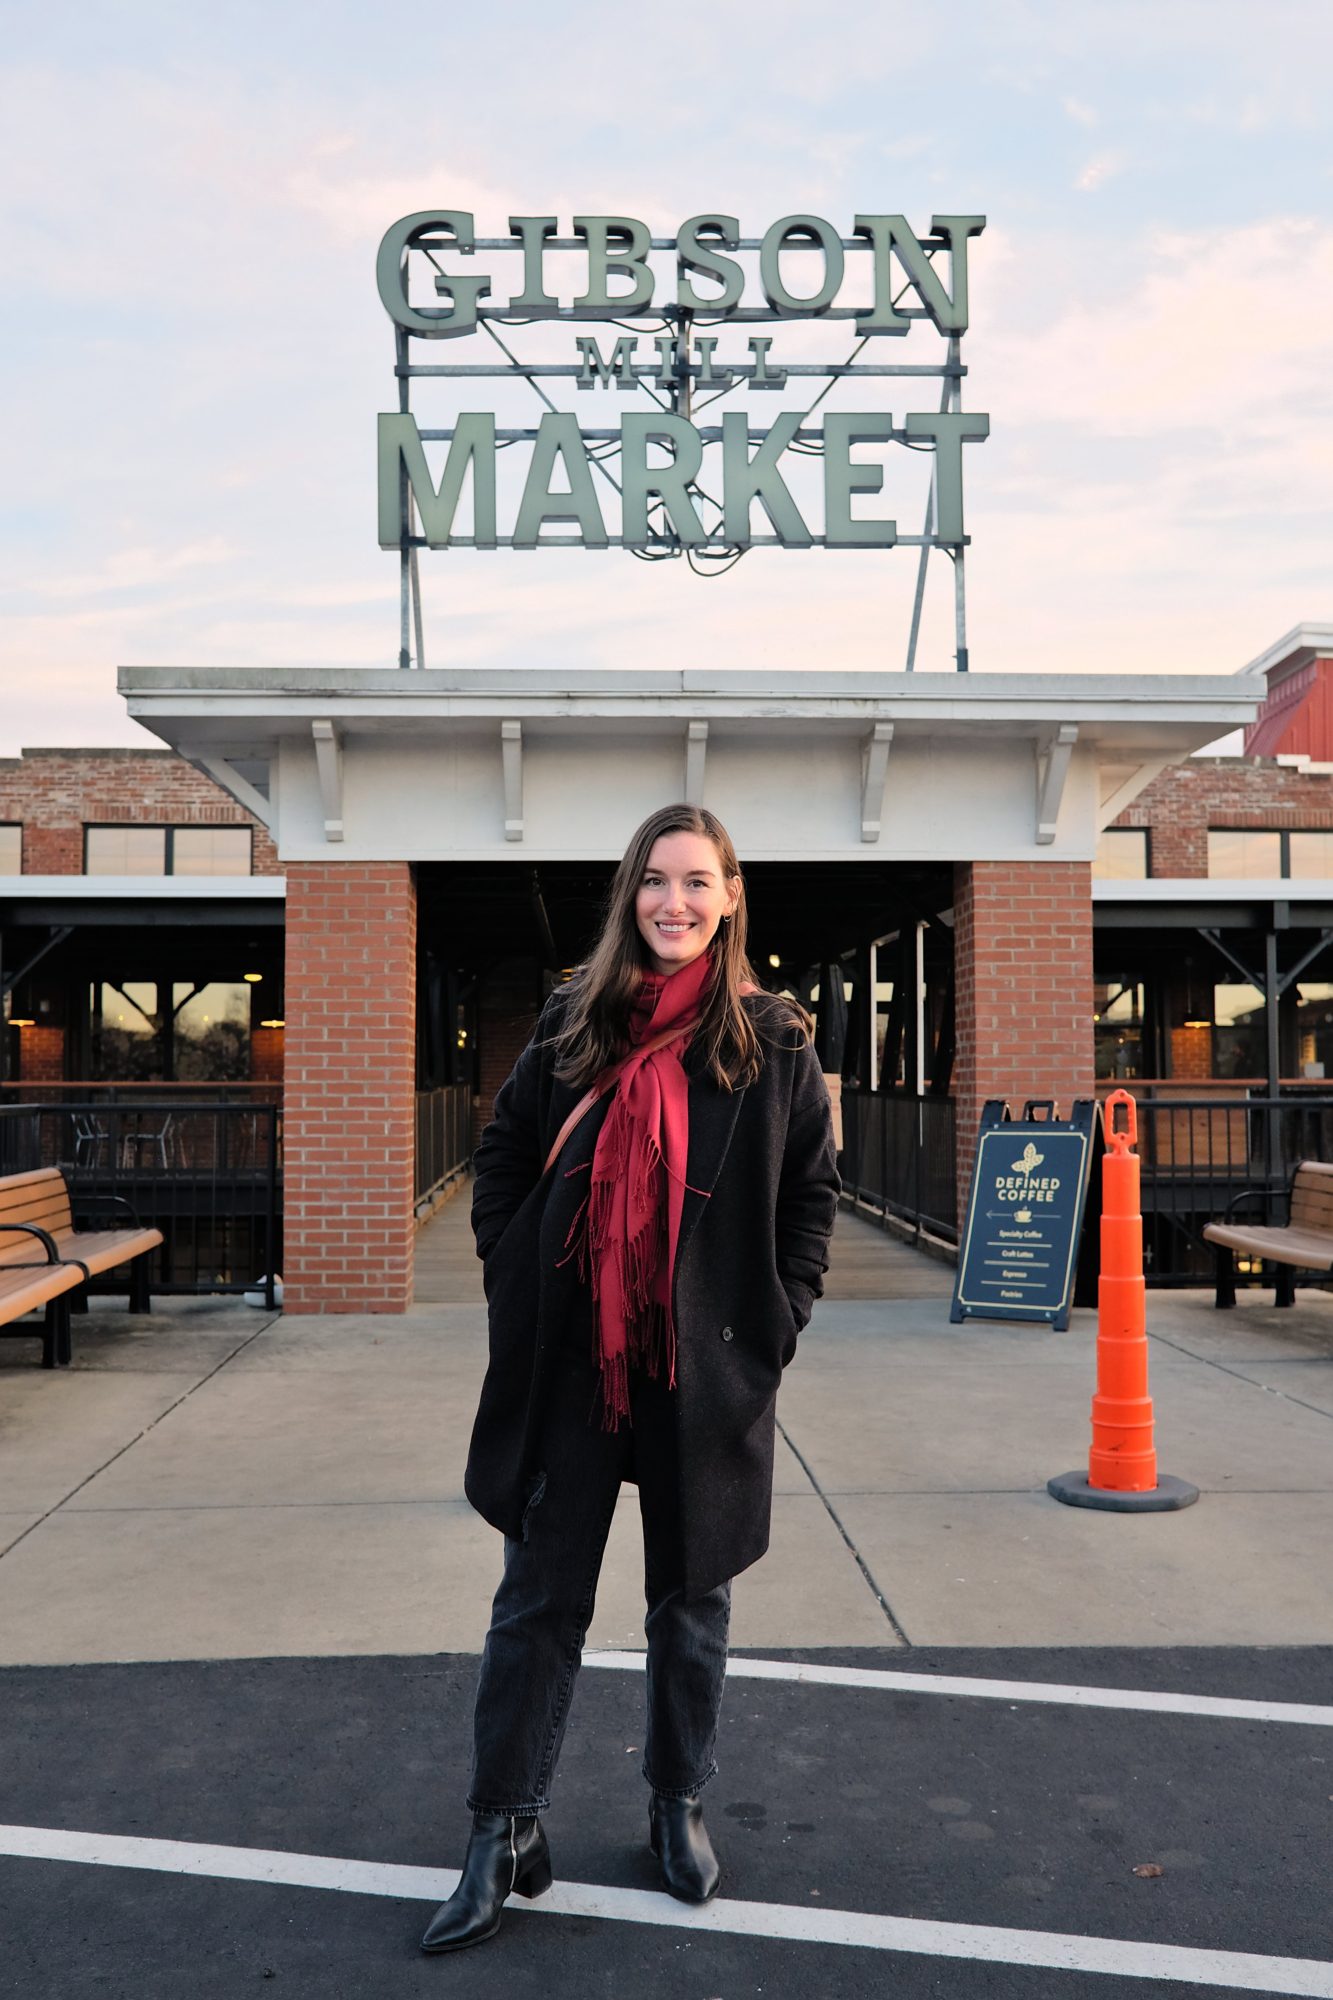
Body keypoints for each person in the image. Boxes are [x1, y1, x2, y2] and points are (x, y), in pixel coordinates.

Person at [421, 803, 840, 1954]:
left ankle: (676, 1800)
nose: (675, 902)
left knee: (689, 1603)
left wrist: (775, 1323)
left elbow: (809, 1199)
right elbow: (504, 1153)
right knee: (537, 1601)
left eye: (697, 881)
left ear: (731, 895)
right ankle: (501, 1828)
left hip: (700, 1371)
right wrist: (517, 1276)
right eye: (655, 881)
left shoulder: (772, 1041)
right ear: (629, 893)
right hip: (570, 1364)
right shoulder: (571, 1023)